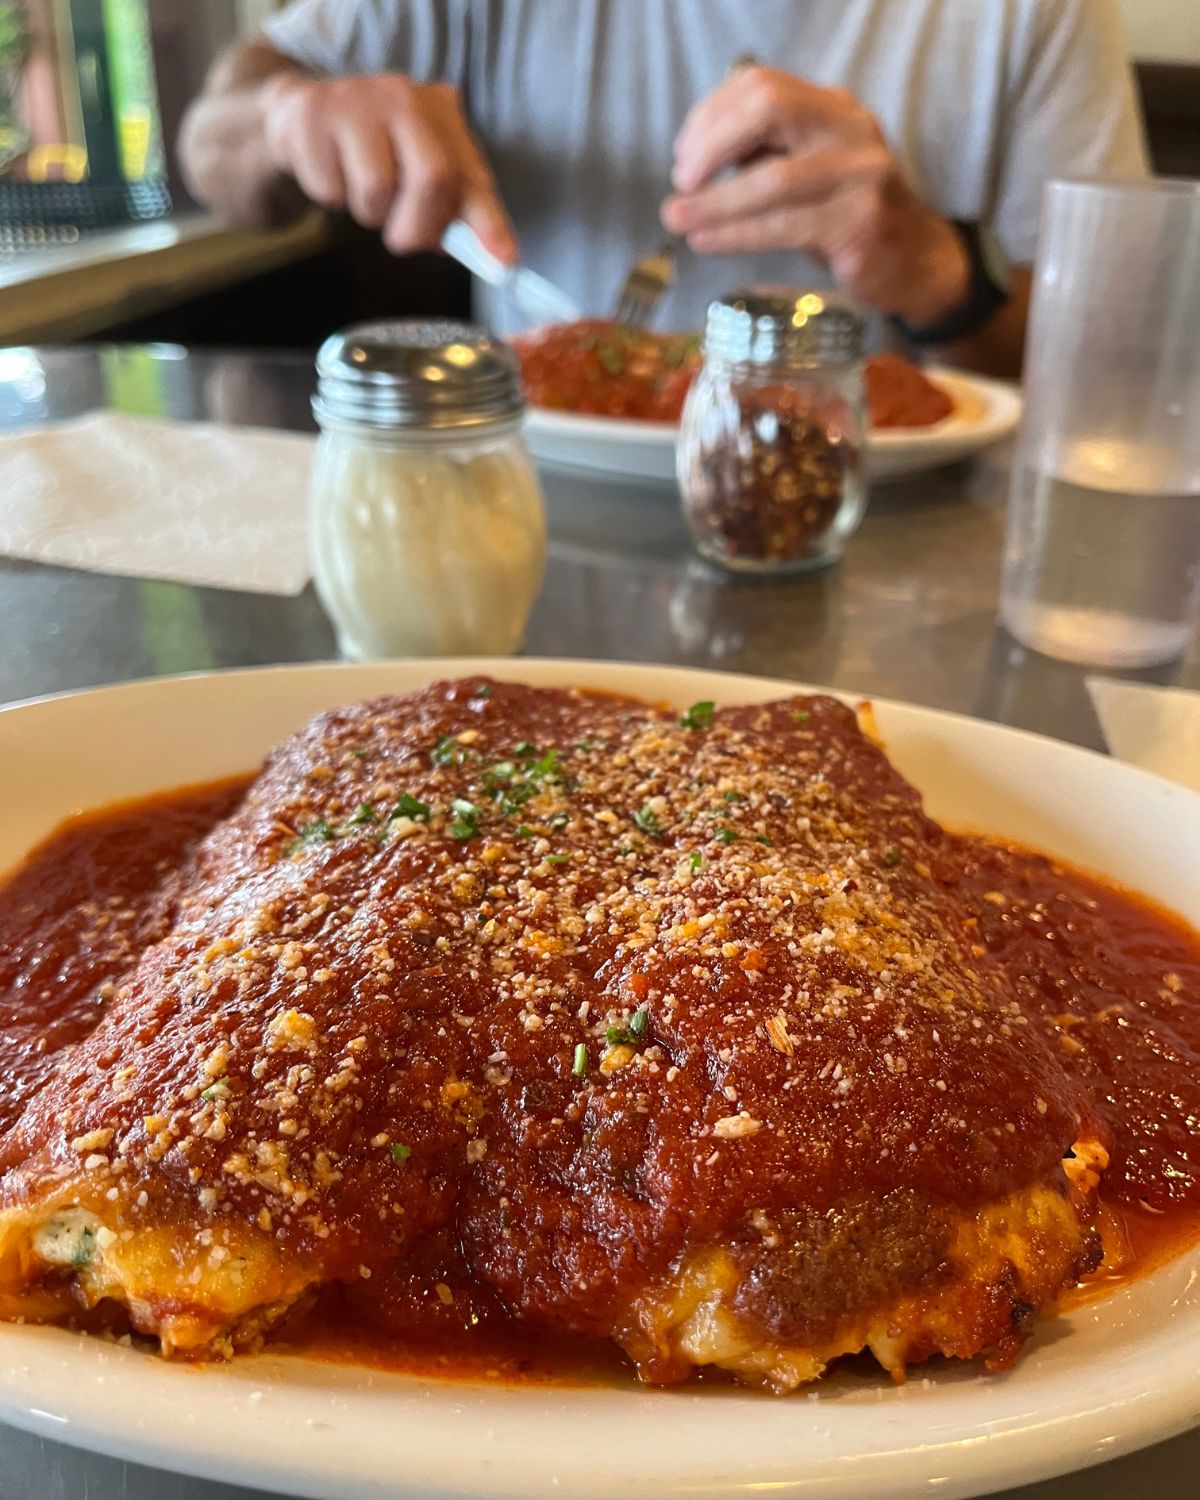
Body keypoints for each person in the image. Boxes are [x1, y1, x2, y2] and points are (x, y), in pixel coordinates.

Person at [179, 0, 1147, 376]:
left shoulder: (1036, 14)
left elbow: (1119, 375)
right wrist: (284, 118)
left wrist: (939, 274)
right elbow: (208, 143)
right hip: (533, 520)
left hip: (897, 550)